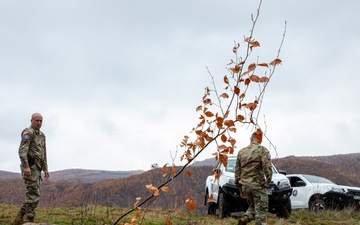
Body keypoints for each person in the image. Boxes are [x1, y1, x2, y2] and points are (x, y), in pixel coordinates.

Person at [13, 113, 49, 225]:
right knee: (33, 194)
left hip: (37, 169)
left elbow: (44, 153)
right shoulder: (28, 132)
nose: (39, 123)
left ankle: (18, 219)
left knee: (34, 193)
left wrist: (45, 168)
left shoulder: (42, 135)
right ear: (31, 120)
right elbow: (22, 151)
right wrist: (26, 167)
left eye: (41, 121)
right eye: (36, 120)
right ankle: (29, 218)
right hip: (30, 167)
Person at [235, 131, 272, 225]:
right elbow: (266, 166)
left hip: (245, 186)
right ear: (259, 139)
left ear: (251, 139)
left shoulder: (241, 152)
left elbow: (237, 172)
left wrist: (240, 188)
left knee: (253, 205)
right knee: (262, 209)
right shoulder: (262, 150)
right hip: (257, 185)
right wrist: (268, 180)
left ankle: (245, 218)